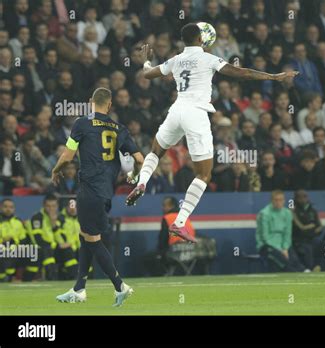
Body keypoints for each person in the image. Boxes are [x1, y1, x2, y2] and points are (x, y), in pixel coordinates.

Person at [126, 23, 298, 244]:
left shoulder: (177, 59)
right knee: (204, 175)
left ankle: (142, 181)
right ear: (201, 39)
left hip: (176, 110)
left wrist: (146, 60)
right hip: (196, 115)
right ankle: (179, 223)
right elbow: (241, 73)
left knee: (156, 151)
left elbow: (148, 74)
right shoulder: (208, 58)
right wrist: (274, 77)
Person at [52, 87, 144, 306]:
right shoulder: (118, 128)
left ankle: (120, 286)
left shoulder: (82, 123)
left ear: (90, 101)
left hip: (89, 188)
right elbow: (140, 158)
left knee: (92, 240)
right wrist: (133, 176)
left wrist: (56, 170)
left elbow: (68, 155)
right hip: (106, 192)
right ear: (110, 105)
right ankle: (79, 289)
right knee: (86, 236)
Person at [256, 190, 303, 272]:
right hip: (266, 247)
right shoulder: (264, 213)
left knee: (294, 260)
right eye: (276, 200)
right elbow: (265, 237)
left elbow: (287, 233)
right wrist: (280, 250)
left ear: (284, 201)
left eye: (281, 200)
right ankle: (296, 274)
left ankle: (304, 271)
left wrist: (284, 248)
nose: (278, 202)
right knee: (283, 262)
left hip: (284, 246)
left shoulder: (287, 213)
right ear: (272, 201)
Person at [291, 190, 323, 271]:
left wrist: (315, 230)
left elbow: (319, 226)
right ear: (296, 198)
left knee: (324, 245)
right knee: (307, 247)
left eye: (305, 196)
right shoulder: (292, 208)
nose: (303, 199)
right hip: (298, 239)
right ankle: (311, 268)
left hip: (312, 237)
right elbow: (299, 227)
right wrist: (307, 227)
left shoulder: (312, 210)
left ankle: (320, 266)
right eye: (300, 197)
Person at [0, 198, 27, 282]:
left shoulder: (18, 221)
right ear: (1, 207)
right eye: (5, 207)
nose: (8, 209)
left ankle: (18, 277)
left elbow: (23, 238)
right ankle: (5, 277)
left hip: (15, 249)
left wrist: (14, 241)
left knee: (33, 251)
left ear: (14, 209)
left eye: (11, 207)